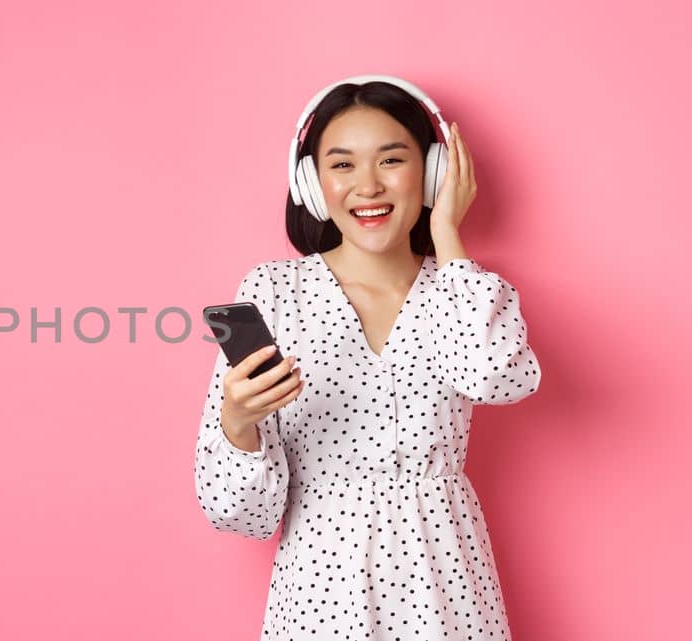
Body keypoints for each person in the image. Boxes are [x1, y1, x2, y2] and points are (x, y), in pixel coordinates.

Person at [193, 75, 542, 640]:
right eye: (342, 165)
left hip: (445, 583)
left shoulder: (461, 291)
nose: (368, 186)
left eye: (391, 160)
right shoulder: (275, 293)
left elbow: (498, 377)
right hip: (319, 593)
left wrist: (447, 233)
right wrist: (237, 423)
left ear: (432, 173)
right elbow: (241, 514)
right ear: (311, 183)